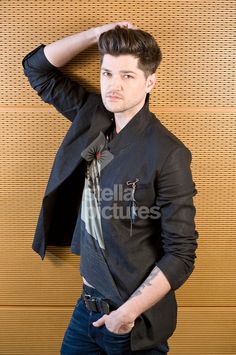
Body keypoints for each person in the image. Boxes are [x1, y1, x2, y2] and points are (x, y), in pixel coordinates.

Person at [22, 21, 199, 355]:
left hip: (130, 321)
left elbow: (182, 254)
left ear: (150, 82)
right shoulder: (94, 115)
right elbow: (37, 69)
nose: (113, 85)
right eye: (107, 73)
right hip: (86, 310)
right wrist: (95, 34)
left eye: (127, 76)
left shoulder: (168, 153)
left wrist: (125, 315)